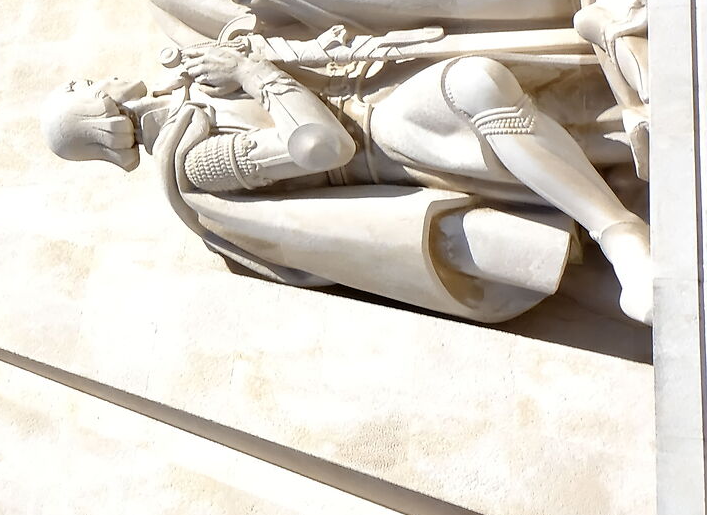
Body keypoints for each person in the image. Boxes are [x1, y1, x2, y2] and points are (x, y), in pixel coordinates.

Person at [46, 41, 651, 321]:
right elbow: (318, 145)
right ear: (95, 121)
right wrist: (255, 74)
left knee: (485, 74)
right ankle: (621, 237)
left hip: (375, 95)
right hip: (378, 145)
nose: (88, 78)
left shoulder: (187, 97)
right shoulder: (192, 161)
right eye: (79, 90)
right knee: (473, 84)